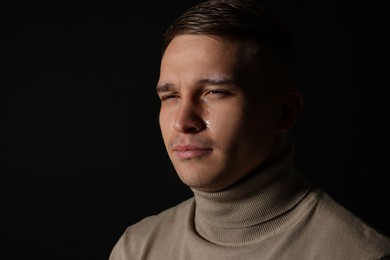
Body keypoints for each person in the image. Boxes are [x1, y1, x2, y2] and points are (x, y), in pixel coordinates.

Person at [110, 0, 390, 259]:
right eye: (170, 97)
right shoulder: (137, 248)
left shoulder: (360, 253)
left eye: (214, 92)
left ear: (284, 112)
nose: (182, 122)